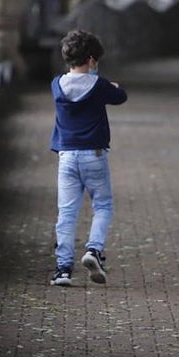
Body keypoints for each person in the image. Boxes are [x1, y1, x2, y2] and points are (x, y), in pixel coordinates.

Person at [49, 29, 128, 287]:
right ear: (92, 61)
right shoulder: (99, 85)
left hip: (67, 157)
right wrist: (113, 86)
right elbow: (120, 96)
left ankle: (62, 270)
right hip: (94, 155)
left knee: (67, 212)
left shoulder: (56, 85)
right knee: (103, 206)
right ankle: (94, 250)